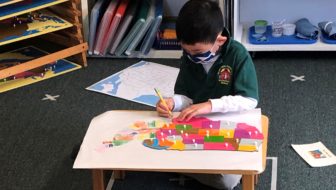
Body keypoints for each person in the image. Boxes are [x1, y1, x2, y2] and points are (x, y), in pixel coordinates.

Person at [155, 0, 259, 189]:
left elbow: (249, 100)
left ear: (220, 40)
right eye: (186, 50)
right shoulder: (189, 56)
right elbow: (187, 98)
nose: (191, 56)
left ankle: (185, 166)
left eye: (197, 51)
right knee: (157, 145)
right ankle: (187, 164)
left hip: (229, 126)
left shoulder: (237, 54)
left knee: (225, 181)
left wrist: (210, 105)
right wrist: (173, 102)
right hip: (198, 127)